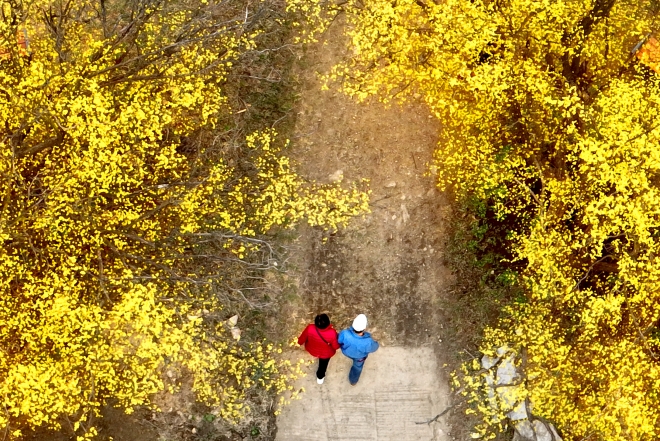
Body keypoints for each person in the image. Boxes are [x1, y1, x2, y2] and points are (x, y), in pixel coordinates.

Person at [297, 313, 340, 384]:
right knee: (322, 366)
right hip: (326, 354)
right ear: (328, 322)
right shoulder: (332, 333)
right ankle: (320, 378)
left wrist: (299, 343)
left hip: (312, 350)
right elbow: (335, 346)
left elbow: (302, 339)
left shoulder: (310, 328)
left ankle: (320, 377)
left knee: (320, 360)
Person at [338, 314, 379, 385]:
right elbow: (374, 348)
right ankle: (353, 381)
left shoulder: (345, 333)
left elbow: (339, 341)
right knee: (357, 368)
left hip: (346, 352)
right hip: (359, 357)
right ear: (364, 328)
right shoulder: (368, 342)